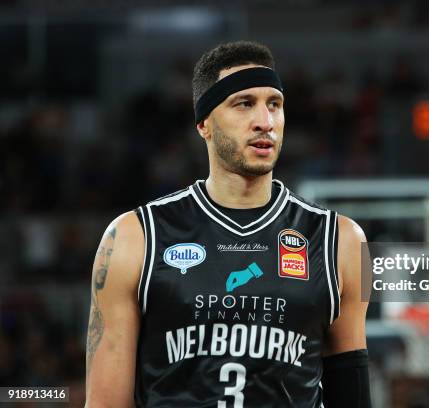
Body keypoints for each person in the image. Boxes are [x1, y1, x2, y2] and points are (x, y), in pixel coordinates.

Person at [84, 41, 372, 407]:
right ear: (204, 124)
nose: (265, 122)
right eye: (244, 103)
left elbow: (353, 394)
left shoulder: (343, 241)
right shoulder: (134, 236)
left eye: (275, 105)